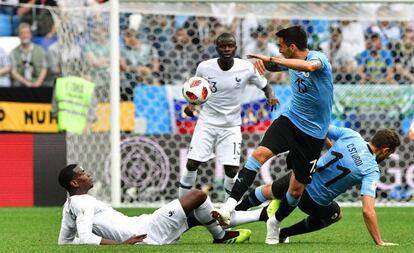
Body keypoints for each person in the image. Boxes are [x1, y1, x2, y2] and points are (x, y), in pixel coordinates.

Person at [213, 26, 333, 231]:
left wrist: (273, 59)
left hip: (312, 135)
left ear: (292, 47)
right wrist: (265, 64)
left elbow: (309, 67)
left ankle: (275, 223)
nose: (278, 50)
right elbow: (276, 67)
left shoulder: (319, 59)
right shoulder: (289, 63)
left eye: (281, 47)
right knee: (259, 154)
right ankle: (229, 207)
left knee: (295, 191)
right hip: (289, 121)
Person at [235, 125, 400, 246]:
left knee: (267, 190)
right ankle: (283, 233)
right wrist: (379, 241)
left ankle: (234, 213)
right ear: (385, 151)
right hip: (312, 201)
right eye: (390, 153)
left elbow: (321, 128)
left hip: (301, 176)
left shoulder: (352, 135)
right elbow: (367, 210)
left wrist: (332, 146)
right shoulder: (371, 170)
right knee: (336, 214)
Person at [57, 164, 272, 246]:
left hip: (145, 225)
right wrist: (121, 245)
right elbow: (84, 237)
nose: (88, 173)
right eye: (83, 173)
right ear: (75, 183)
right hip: (147, 232)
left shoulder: (69, 206)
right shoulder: (82, 202)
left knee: (204, 212)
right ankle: (221, 236)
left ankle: (262, 215)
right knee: (198, 195)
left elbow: (65, 243)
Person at [178, 32, 279, 200]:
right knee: (192, 164)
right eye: (223, 46)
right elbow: (196, 90)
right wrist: (190, 106)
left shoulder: (246, 67)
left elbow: (265, 85)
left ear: (235, 48)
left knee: (232, 170)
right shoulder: (204, 67)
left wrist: (271, 96)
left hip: (231, 126)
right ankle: (181, 207)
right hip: (207, 123)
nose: (227, 49)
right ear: (216, 48)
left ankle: (227, 211)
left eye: (230, 46)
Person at [10, 22, 47, 87]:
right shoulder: (13, 52)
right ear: (19, 36)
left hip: (38, 82)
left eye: (27, 33)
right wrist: (25, 82)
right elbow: (13, 72)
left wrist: (38, 82)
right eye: (22, 33)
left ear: (31, 35)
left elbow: (44, 68)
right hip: (20, 84)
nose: (25, 35)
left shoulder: (40, 50)